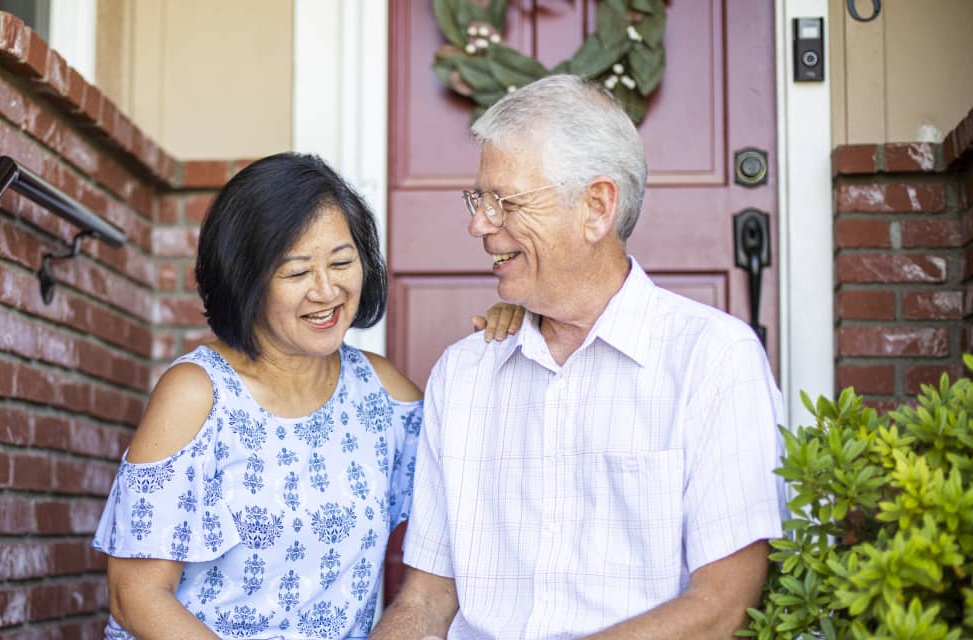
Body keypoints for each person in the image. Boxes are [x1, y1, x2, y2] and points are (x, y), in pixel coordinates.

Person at [371, 75, 786, 639]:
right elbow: (427, 598)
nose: (478, 224)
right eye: (478, 200)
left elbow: (722, 608)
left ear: (596, 207)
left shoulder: (714, 361)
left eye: (504, 202)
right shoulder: (465, 374)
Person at [92, 152, 518, 640]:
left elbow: (481, 484)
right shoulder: (197, 395)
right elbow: (136, 597)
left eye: (342, 262)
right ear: (245, 280)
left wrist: (519, 333)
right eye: (297, 273)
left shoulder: (382, 394)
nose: (327, 290)